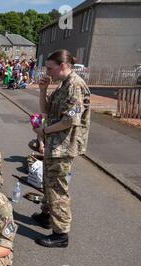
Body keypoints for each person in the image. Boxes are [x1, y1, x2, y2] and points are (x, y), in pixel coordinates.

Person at [32, 49, 91, 248]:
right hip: (54, 145)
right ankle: (47, 215)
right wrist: (42, 91)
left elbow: (70, 120)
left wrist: (45, 131)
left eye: (50, 68)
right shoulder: (63, 85)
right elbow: (46, 110)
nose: (47, 72)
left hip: (63, 146)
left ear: (63, 66)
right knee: (49, 183)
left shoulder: (75, 85)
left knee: (57, 188)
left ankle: (61, 234)